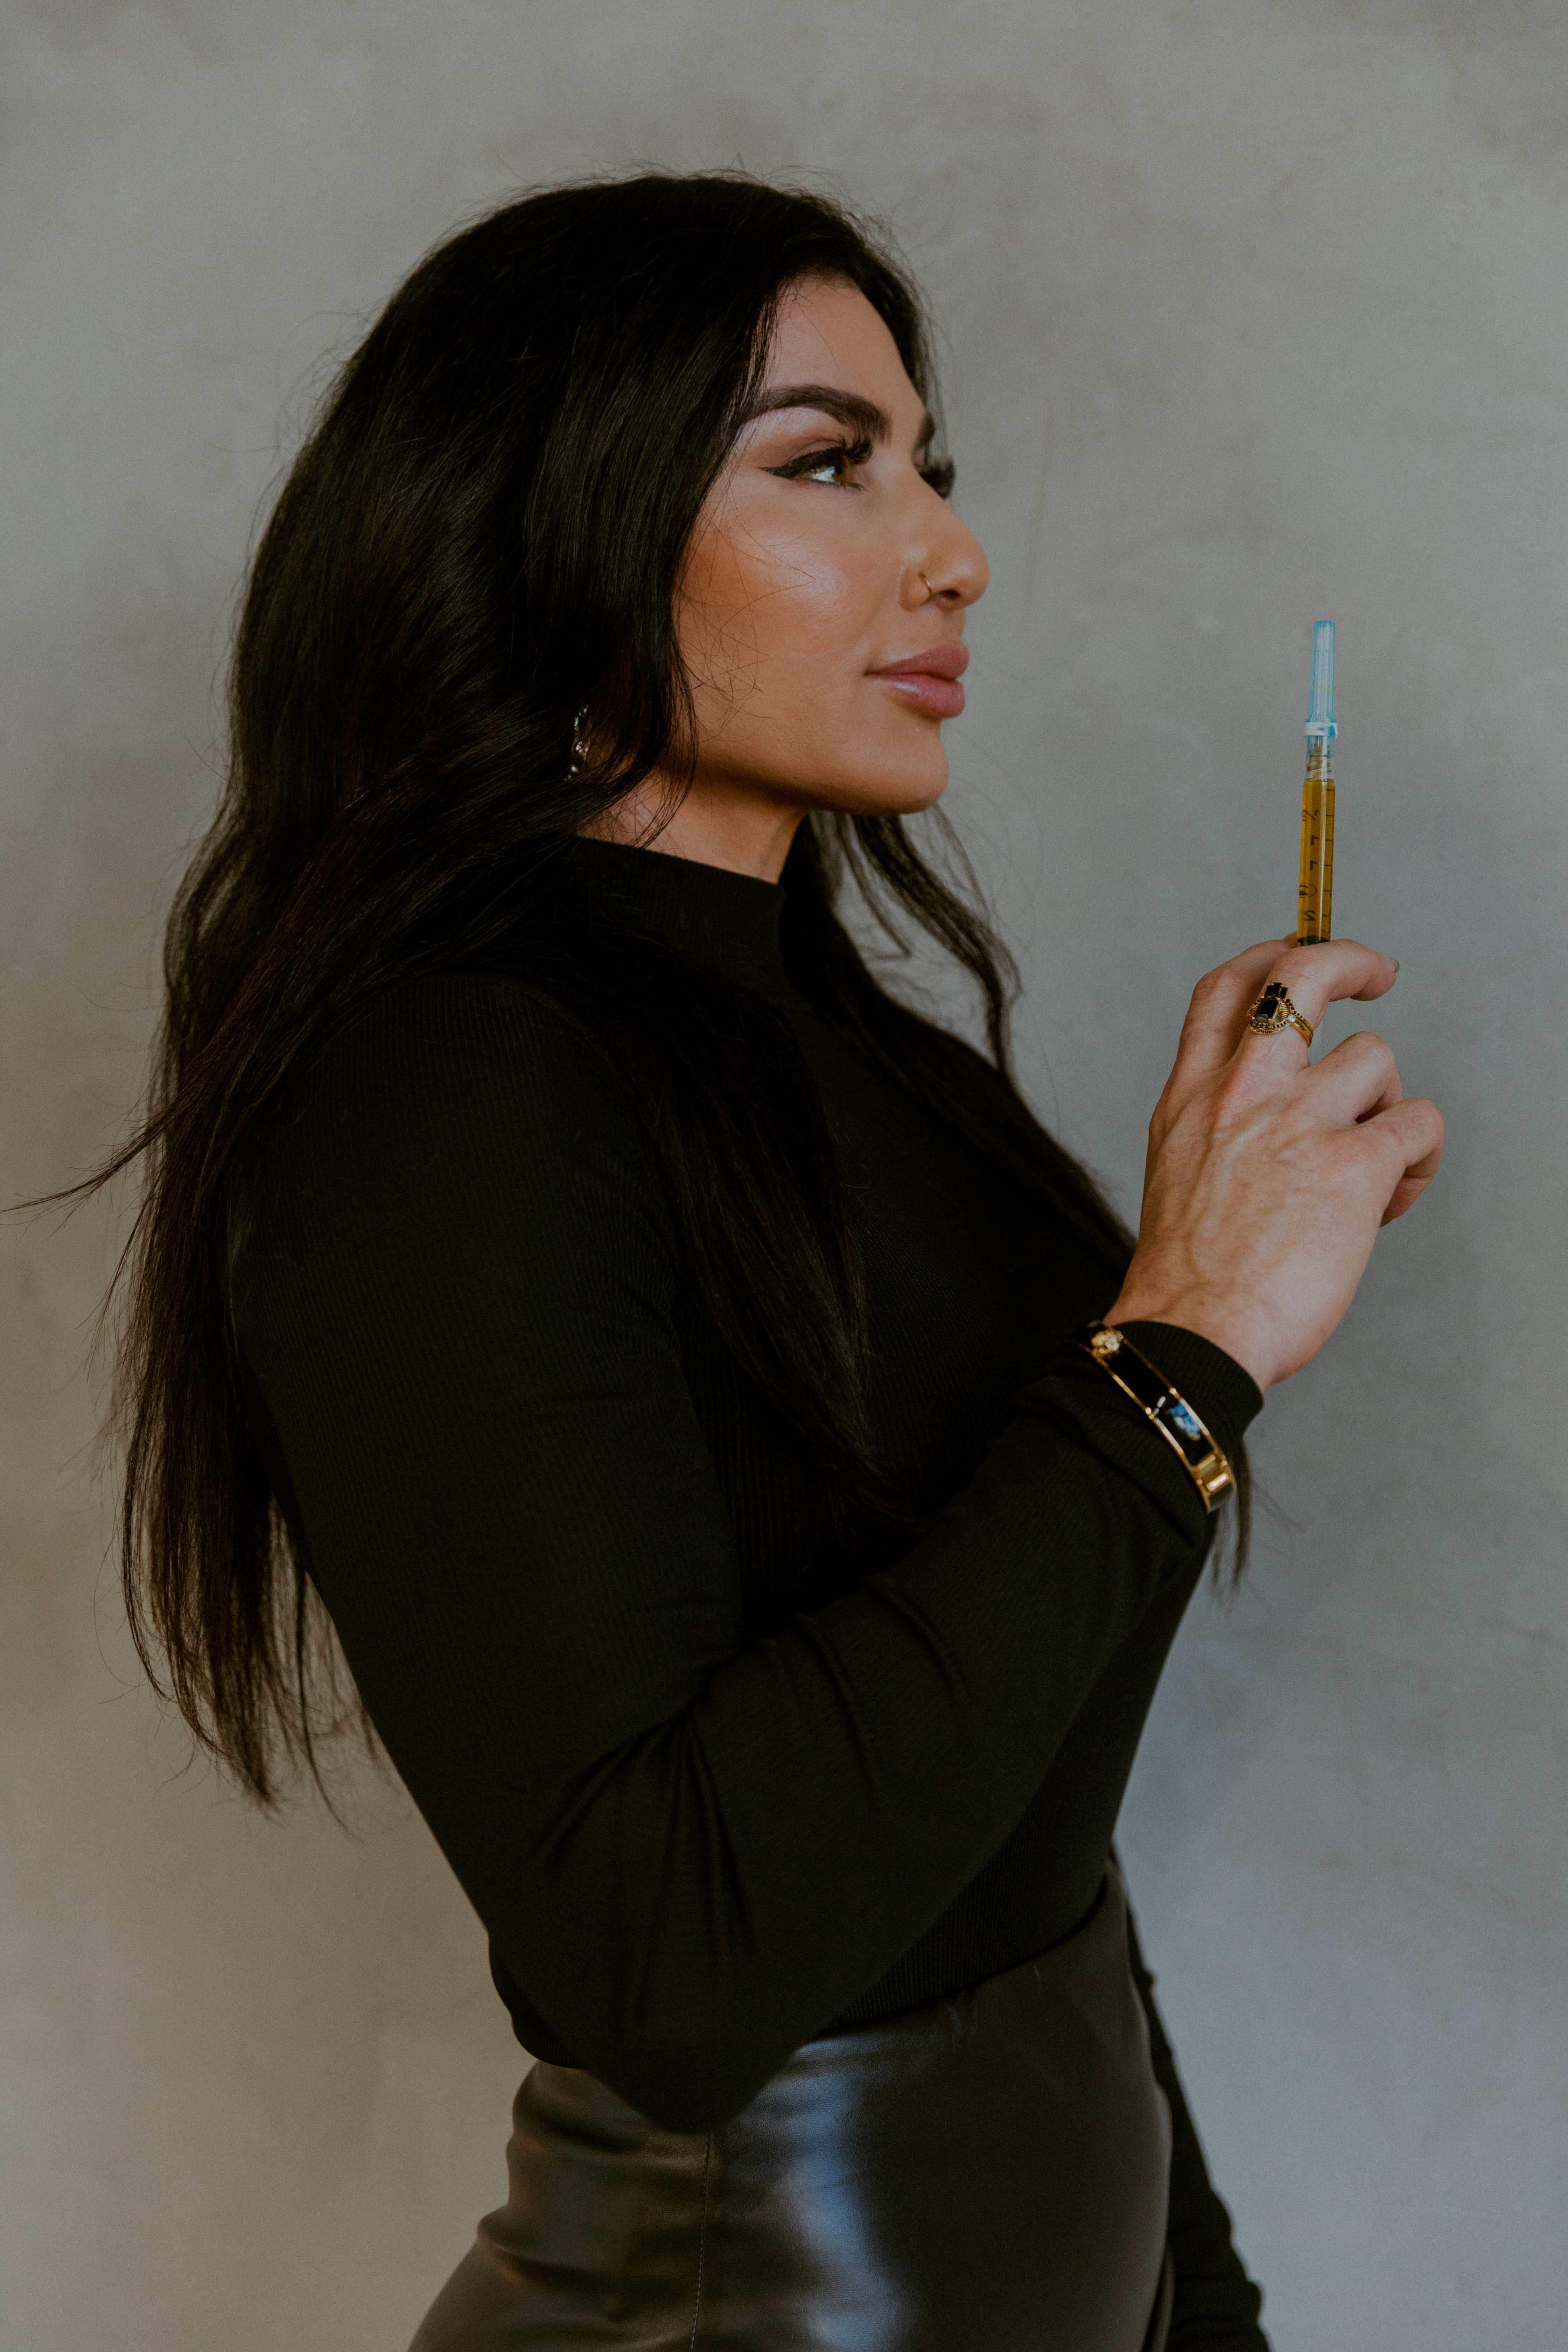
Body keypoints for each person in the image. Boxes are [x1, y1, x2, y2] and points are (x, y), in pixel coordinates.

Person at [94, 172, 1441, 2350]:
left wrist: (1207, 2304)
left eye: (932, 467)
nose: (951, 549)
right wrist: (1180, 1346)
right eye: (829, 462)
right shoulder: (443, 1090)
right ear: (564, 523)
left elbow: (1020, 1845)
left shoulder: (863, 1058)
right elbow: (674, 1958)